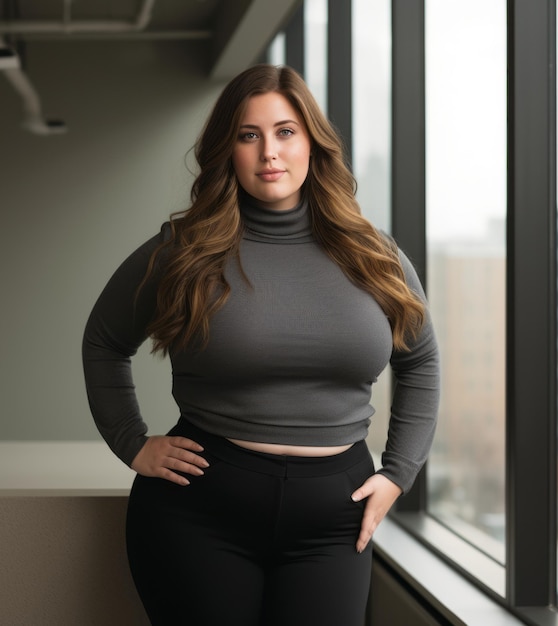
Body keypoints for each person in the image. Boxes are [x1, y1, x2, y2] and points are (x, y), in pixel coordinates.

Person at [82, 63, 439, 626]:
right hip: (199, 515)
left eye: (285, 132)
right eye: (249, 135)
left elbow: (420, 360)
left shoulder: (375, 253)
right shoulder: (184, 250)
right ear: (229, 148)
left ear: (312, 144)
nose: (269, 151)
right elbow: (103, 339)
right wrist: (131, 442)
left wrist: (399, 472)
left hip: (334, 521)